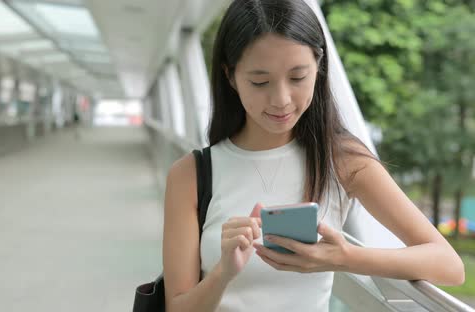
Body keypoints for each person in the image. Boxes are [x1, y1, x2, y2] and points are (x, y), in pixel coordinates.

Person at [162, 0, 465, 311]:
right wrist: (223, 274)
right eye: (260, 81)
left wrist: (344, 258)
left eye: (297, 78)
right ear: (230, 77)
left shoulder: (342, 161)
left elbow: (448, 265)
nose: (281, 99)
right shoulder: (191, 174)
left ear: (319, 69)